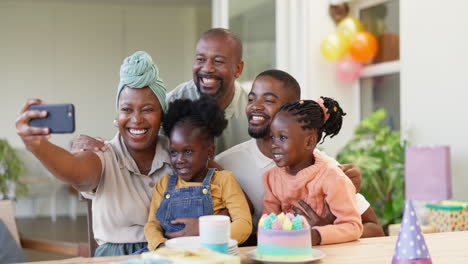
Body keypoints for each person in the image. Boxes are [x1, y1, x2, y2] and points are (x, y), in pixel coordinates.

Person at [15, 51, 174, 256]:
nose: (136, 120)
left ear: (162, 114)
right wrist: (37, 145)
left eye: (147, 109)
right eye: (126, 109)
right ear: (117, 114)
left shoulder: (178, 156)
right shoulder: (104, 154)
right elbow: (75, 169)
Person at [215, 70, 384, 238]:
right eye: (251, 99)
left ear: (292, 109)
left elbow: (374, 229)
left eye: (268, 100)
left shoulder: (323, 168)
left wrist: (324, 230)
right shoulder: (225, 164)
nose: (255, 106)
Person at [71, 28, 249, 155]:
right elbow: (135, 133)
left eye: (218, 61)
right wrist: (99, 146)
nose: (207, 68)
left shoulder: (252, 109)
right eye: (200, 59)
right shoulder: (171, 104)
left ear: (238, 69)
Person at [144, 97, 252, 250]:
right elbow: (152, 225)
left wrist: (206, 232)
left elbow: (243, 224)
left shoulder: (223, 180)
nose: (179, 160)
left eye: (188, 151)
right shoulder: (164, 184)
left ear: (209, 151)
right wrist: (161, 246)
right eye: (173, 152)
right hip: (171, 255)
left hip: (211, 253)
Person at [262, 98, 363, 245]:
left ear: (309, 142)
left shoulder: (332, 177)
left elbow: (353, 226)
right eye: (272, 137)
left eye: (282, 137)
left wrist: (316, 235)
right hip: (286, 254)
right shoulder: (272, 178)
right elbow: (268, 223)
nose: (274, 145)